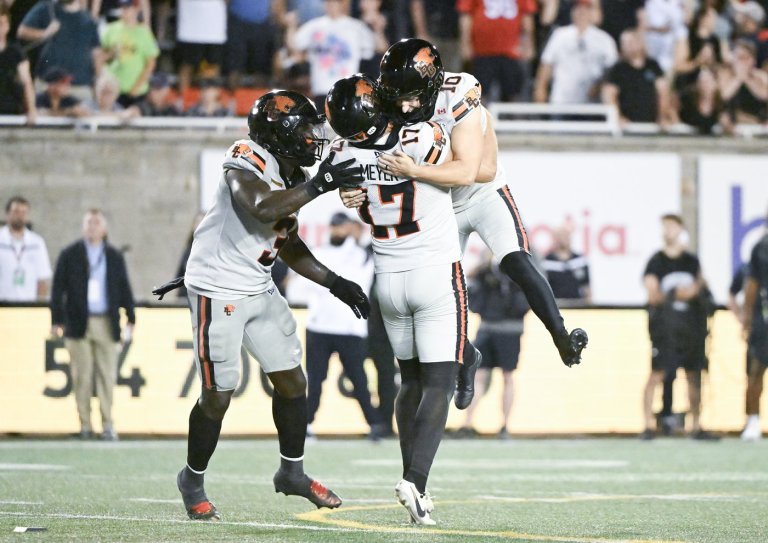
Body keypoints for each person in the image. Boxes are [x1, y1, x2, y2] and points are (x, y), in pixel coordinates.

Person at [151, 90, 368, 521]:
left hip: (256, 283)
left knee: (293, 381)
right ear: (280, 132)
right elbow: (258, 206)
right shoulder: (245, 156)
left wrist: (335, 283)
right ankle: (191, 478)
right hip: (218, 286)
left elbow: (285, 238)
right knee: (218, 395)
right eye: (304, 129)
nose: (312, 138)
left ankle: (291, 473)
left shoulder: (292, 171)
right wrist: (319, 185)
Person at [344, 38, 588, 413]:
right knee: (436, 292)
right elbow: (365, 154)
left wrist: (414, 170)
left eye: (412, 96)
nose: (405, 106)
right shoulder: (392, 103)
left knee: (516, 260)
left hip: (480, 192)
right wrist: (354, 190)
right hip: (439, 200)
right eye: (398, 98)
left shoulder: (458, 92)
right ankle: (467, 355)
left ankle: (561, 336)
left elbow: (475, 172)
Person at [326, 74, 481, 525]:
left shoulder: (343, 152)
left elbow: (357, 196)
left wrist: (353, 190)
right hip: (433, 271)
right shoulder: (423, 135)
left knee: (409, 381)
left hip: (388, 279)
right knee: (439, 383)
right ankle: (416, 481)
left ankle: (416, 487)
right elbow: (464, 171)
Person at [287, 212, 380, 439]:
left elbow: (355, 280)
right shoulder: (320, 253)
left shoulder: (362, 256)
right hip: (319, 327)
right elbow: (297, 289)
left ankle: (374, 424)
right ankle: (305, 425)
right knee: (315, 380)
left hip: (350, 329)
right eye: (335, 226)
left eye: (342, 226)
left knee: (359, 380)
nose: (338, 231)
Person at [50, 209, 136, 441]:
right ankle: (85, 425)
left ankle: (107, 424)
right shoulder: (70, 254)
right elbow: (57, 289)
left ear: (104, 229)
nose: (92, 227)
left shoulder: (114, 256)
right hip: (78, 321)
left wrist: (131, 317)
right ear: (83, 227)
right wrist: (57, 319)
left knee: (107, 375)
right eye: (89, 222)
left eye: (97, 223)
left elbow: (124, 288)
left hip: (106, 321)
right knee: (82, 376)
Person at [640, 214, 718, 441]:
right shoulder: (656, 261)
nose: (668, 231)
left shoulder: (691, 261)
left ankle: (696, 424)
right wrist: (678, 294)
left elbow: (697, 288)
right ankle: (647, 425)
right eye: (664, 227)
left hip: (691, 328)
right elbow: (653, 294)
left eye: (672, 227)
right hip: (665, 330)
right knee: (657, 374)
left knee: (694, 374)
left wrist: (680, 293)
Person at [458, 253, 530, 439]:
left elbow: (533, 284)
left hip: (507, 328)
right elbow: (470, 278)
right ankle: (468, 423)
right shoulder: (487, 264)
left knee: (506, 377)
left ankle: (504, 425)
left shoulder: (519, 259)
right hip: (489, 327)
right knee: (480, 376)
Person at [287, 0, 378, 109]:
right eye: (328, 2)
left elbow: (373, 50)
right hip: (321, 89)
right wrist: (291, 26)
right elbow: (294, 45)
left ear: (342, 4)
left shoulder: (356, 27)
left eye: (335, 2)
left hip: (346, 89)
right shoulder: (314, 26)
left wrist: (377, 27)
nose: (331, 5)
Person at [534, 0, 617, 104]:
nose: (581, 12)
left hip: (592, 102)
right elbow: (547, 64)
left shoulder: (604, 40)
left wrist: (600, 85)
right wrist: (540, 89)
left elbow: (612, 70)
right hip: (562, 99)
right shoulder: (560, 35)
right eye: (578, 8)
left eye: (586, 9)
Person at [17, 0, 102, 100]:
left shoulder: (89, 19)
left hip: (79, 88)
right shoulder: (46, 8)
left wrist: (98, 83)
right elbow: (22, 31)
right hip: (47, 86)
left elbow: (96, 54)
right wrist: (44, 33)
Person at [457, 0, 536, 103]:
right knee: (478, 92)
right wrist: (466, 44)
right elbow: (466, 15)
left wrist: (528, 44)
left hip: (512, 51)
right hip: (482, 50)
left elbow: (527, 16)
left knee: (514, 93)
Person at [602, 29, 669, 127]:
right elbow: (609, 96)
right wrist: (618, 117)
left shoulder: (653, 66)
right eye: (626, 43)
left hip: (652, 124)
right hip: (627, 125)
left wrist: (662, 116)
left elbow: (663, 93)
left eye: (633, 42)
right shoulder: (617, 69)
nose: (630, 46)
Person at [739, 220, 768, 441]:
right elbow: (752, 284)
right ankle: (753, 420)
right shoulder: (761, 248)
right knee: (756, 370)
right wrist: (747, 319)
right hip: (764, 320)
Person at [100, 0, 159, 107]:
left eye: (128, 7)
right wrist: (111, 54)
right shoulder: (110, 29)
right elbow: (100, 58)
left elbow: (151, 63)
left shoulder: (144, 33)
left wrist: (136, 88)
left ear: (136, 9)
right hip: (114, 90)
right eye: (122, 7)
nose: (124, 11)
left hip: (138, 92)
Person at [0, 196, 52, 302]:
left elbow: (42, 279)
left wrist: (39, 305)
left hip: (28, 304)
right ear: (7, 214)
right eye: (16, 212)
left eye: (24, 212)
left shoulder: (37, 243)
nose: (20, 216)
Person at [0, 4, 36, 124]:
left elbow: (26, 82)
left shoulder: (16, 53)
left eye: (2, 23)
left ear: (8, 25)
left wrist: (31, 109)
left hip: (10, 110)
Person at [542, 223, 591, 302]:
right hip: (556, 305)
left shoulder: (579, 260)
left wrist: (588, 304)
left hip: (577, 305)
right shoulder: (547, 262)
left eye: (565, 235)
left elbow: (586, 287)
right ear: (554, 238)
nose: (563, 239)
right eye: (560, 236)